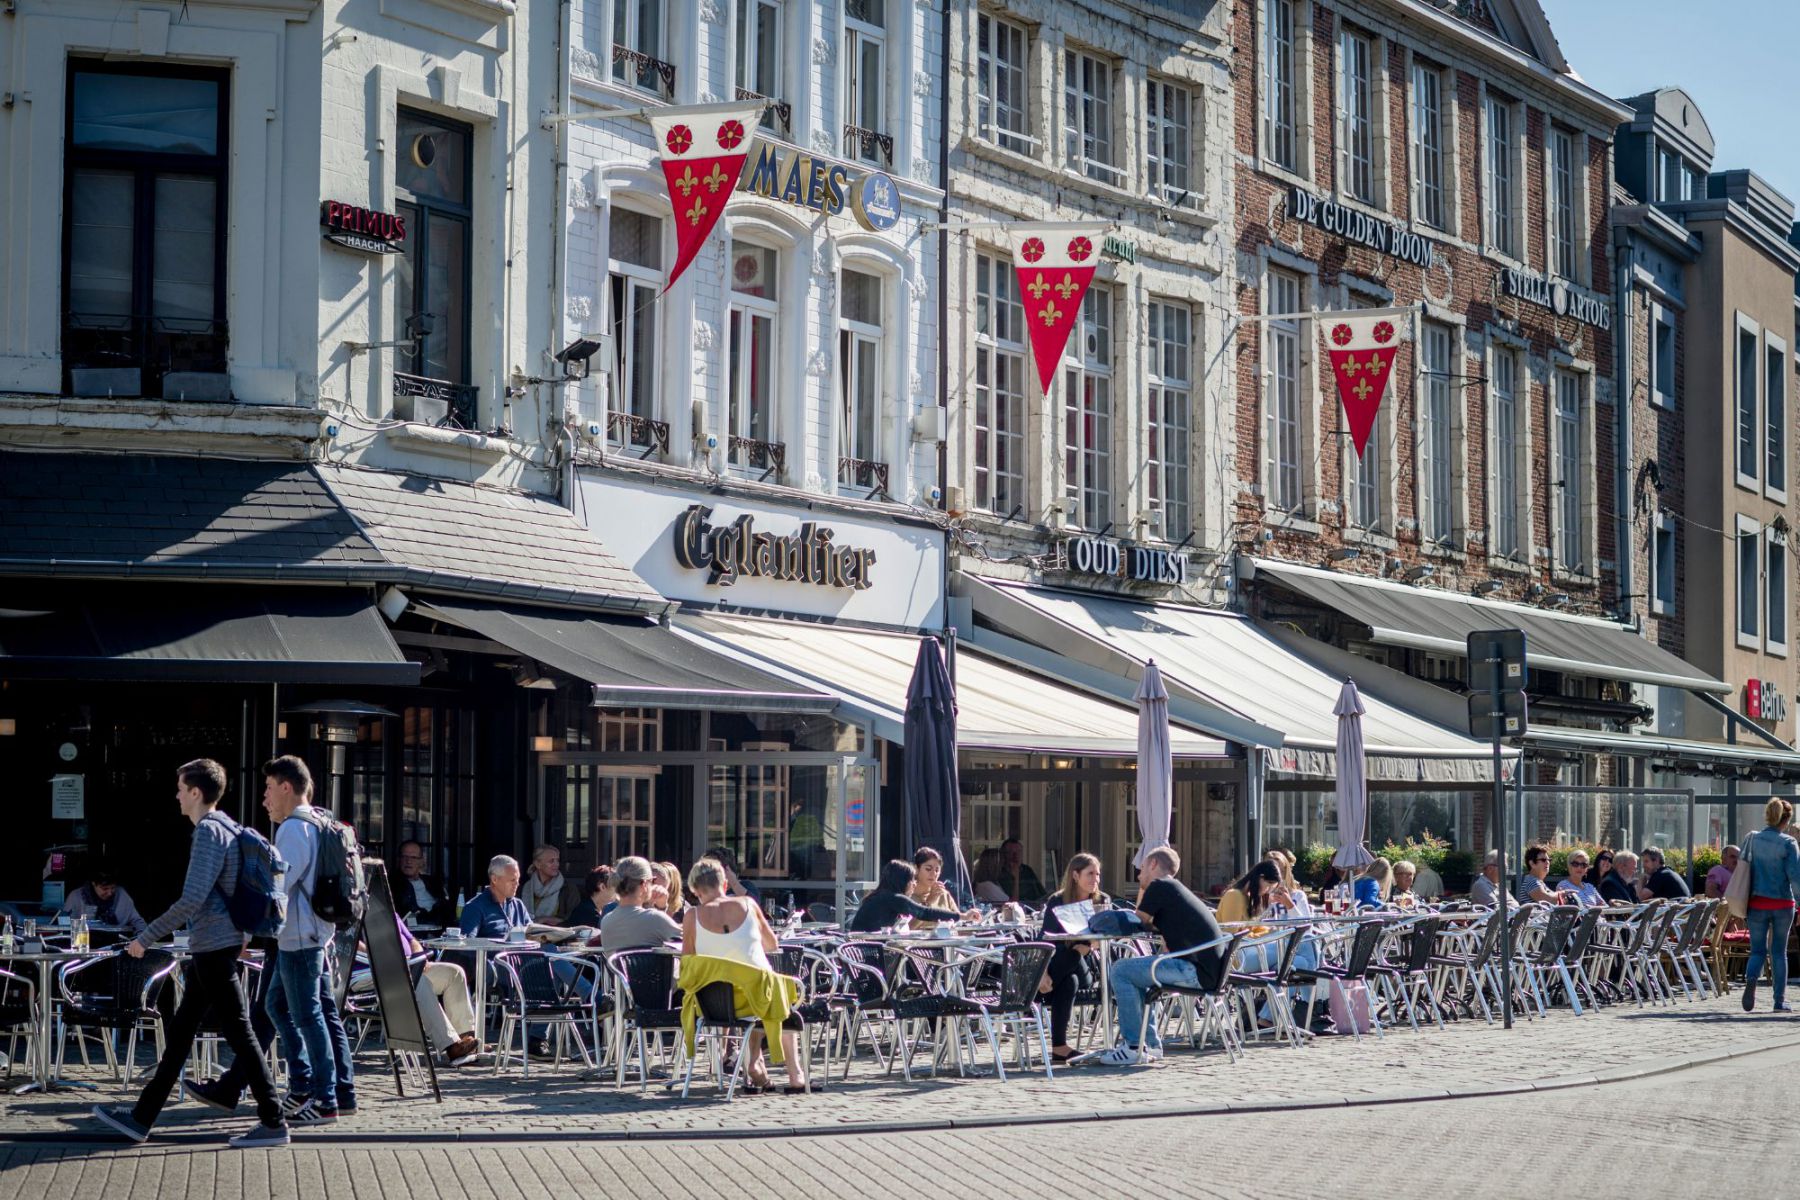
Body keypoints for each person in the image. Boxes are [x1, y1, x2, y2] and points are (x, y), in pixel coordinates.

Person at [90, 759, 289, 1149]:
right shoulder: (229, 829)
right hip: (215, 946)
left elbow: (192, 898)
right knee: (181, 1036)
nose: (177, 795)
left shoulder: (209, 833)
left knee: (242, 1034)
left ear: (196, 792)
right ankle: (141, 1119)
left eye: (181, 788)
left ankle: (274, 1120)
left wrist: (145, 937)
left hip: (213, 947)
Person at [262, 755, 355, 1125]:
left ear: (287, 787)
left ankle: (324, 1098)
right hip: (315, 933)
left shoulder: (292, 829)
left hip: (299, 937)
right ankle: (306, 1086)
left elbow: (278, 885)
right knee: (280, 1006)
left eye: (269, 789)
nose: (265, 798)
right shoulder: (320, 820)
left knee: (307, 1015)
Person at [681, 858, 809, 1093]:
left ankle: (755, 1063)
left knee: (761, 990)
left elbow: (688, 962)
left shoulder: (692, 917)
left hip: (714, 1004)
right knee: (775, 990)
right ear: (725, 885)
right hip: (758, 1000)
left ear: (695, 890)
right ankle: (794, 1074)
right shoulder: (749, 905)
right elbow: (772, 944)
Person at [1091, 847, 1228, 1067]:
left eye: (1142, 867)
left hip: (1194, 971)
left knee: (1120, 969)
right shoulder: (1175, 889)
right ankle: (1151, 1044)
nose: (1138, 875)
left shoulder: (1159, 885)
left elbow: (1138, 920)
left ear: (1153, 864)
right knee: (1137, 974)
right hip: (1209, 972)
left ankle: (1134, 1047)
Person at [348, 915, 481, 1066]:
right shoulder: (352, 907)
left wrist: (420, 957)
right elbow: (350, 941)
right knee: (416, 980)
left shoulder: (386, 908)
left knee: (454, 972)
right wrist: (388, 958)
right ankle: (451, 1045)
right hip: (371, 972)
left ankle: (465, 1039)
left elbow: (412, 940)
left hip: (406, 966)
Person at [1039, 853, 1107, 1064]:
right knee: (1069, 981)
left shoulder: (1101, 901)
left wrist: (1081, 950)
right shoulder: (1057, 901)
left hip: (1087, 967)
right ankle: (1059, 1047)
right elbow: (1045, 940)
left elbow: (1103, 937)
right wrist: (1042, 973)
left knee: (1072, 957)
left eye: (1097, 874)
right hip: (1059, 969)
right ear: (1075, 875)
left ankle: (1034, 989)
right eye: (1090, 874)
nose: (1095, 879)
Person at [1742, 798, 1800, 1012]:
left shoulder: (1752, 839)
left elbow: (1743, 867)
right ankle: (1779, 1000)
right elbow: (1795, 877)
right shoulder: (1788, 843)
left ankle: (1751, 980)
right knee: (1779, 952)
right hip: (1783, 903)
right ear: (1787, 819)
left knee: (1757, 951)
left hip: (1756, 903)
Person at [847, 860, 976, 932]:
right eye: (912, 880)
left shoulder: (880, 896)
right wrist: (962, 916)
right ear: (902, 881)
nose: (915, 884)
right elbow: (924, 912)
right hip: (869, 954)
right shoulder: (894, 898)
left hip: (860, 953)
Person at [595, 857, 683, 951]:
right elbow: (688, 942)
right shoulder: (655, 918)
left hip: (614, 966)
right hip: (652, 966)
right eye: (652, 880)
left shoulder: (607, 921)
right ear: (644, 884)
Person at [61, 867, 147, 936]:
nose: (109, 893)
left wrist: (142, 939)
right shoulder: (76, 897)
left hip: (115, 945)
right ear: (94, 884)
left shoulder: (122, 895)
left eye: (113, 888)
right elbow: (64, 925)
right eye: (105, 889)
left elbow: (137, 921)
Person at [461, 855, 530, 938]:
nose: (517, 884)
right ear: (494, 879)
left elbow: (533, 934)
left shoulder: (518, 905)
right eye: (512, 880)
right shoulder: (475, 907)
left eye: (518, 880)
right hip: (493, 951)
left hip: (520, 951)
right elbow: (467, 946)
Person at [393, 840, 455, 926]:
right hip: (413, 932)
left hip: (440, 931)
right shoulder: (392, 885)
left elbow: (447, 908)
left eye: (413, 858)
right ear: (399, 860)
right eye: (404, 857)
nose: (408, 861)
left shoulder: (433, 883)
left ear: (421, 861)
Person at [520, 844, 577, 924]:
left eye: (557, 860)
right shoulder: (524, 888)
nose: (556, 864)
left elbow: (574, 920)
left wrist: (545, 919)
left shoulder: (568, 889)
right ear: (538, 864)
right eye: (551, 861)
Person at [907, 847, 957, 928]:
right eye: (928, 869)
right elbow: (906, 928)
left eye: (937, 870)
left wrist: (968, 916)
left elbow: (957, 918)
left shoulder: (943, 894)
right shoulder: (907, 895)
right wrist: (928, 903)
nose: (933, 874)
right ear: (916, 869)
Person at [565, 865, 616, 929]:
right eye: (616, 887)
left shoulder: (589, 908)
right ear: (602, 887)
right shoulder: (587, 913)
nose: (619, 893)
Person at [996, 838, 1045, 905]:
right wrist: (1016, 876)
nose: (1016, 855)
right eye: (1011, 852)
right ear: (1004, 855)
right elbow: (1011, 902)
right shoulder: (999, 873)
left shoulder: (1027, 870)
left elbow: (1041, 893)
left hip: (1035, 907)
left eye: (1019, 851)